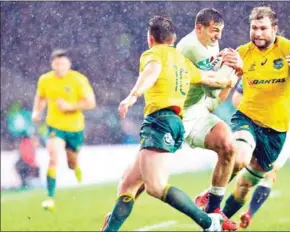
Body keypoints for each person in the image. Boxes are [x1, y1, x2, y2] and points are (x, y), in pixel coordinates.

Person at [101, 16, 237, 232]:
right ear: (173, 39)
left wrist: (133, 96)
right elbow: (212, 80)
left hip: (159, 121)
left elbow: (151, 71)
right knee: (128, 186)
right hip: (174, 122)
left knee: (155, 187)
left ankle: (208, 222)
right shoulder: (182, 60)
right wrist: (231, 77)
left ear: (150, 38)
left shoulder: (153, 54)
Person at [195, 6, 290, 227]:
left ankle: (218, 221)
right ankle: (212, 205)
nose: (257, 33)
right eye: (254, 28)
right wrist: (209, 87)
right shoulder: (242, 53)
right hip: (247, 119)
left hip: (276, 132)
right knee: (240, 157)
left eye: (263, 28)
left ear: (275, 29)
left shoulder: (289, 49)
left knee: (245, 186)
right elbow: (225, 82)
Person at [231, 70, 290, 228]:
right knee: (240, 165)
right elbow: (237, 98)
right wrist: (257, 113)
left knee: (268, 173)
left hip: (280, 132)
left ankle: (247, 213)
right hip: (254, 127)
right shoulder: (254, 66)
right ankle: (216, 204)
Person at [176, 8, 241, 223]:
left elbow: (215, 92)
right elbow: (214, 89)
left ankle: (213, 210)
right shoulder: (191, 47)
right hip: (178, 116)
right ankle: (118, 209)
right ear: (199, 28)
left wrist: (233, 71)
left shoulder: (210, 43)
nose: (218, 36)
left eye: (220, 31)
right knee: (151, 180)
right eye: (215, 30)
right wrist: (233, 70)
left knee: (229, 147)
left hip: (199, 109)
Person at [32, 49, 96, 211]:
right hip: (55, 126)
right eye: (56, 63)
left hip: (75, 128)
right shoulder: (45, 80)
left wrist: (70, 107)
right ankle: (50, 197)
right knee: (53, 157)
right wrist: (37, 111)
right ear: (52, 64)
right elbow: (40, 97)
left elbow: (91, 103)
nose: (59, 66)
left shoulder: (78, 80)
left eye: (62, 63)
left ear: (69, 64)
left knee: (71, 163)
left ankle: (76, 166)